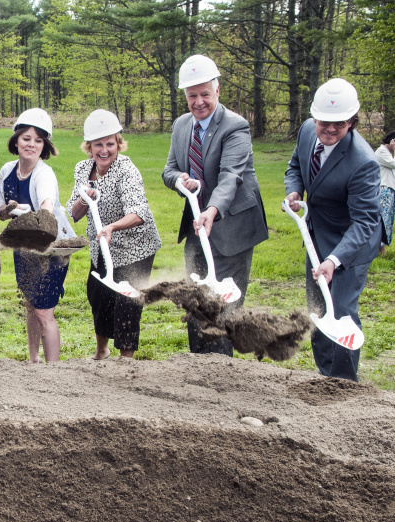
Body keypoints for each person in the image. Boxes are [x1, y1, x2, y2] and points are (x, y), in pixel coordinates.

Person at [162, 54, 267, 356]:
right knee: (195, 298)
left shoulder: (236, 126)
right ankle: (199, 364)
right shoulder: (182, 125)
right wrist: (181, 180)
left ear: (217, 91)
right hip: (197, 223)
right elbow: (168, 171)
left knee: (222, 303)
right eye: (192, 96)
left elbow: (230, 177)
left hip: (231, 224)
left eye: (205, 94)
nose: (198, 102)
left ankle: (221, 371)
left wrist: (212, 209)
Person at [284, 78, 382, 382]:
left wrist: (334, 261)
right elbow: (295, 167)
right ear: (314, 117)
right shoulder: (305, 132)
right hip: (316, 234)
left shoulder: (363, 162)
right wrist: (294, 191)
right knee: (318, 308)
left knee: (339, 311)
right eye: (323, 123)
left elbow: (365, 221)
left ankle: (344, 383)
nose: (329, 130)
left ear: (351, 122)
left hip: (350, 243)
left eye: (338, 125)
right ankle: (324, 374)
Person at [67, 109, 162, 360]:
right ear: (89, 146)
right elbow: (74, 213)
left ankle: (126, 360)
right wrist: (84, 198)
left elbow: (139, 212)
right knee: (98, 297)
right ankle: (102, 352)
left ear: (118, 143)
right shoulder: (82, 169)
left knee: (127, 302)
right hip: (102, 245)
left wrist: (112, 227)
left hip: (135, 246)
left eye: (110, 143)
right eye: (98, 144)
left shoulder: (126, 169)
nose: (105, 150)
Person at [0, 109, 76, 363]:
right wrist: (8, 209)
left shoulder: (44, 174)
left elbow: (46, 211)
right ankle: (33, 360)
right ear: (16, 140)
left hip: (51, 248)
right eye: (27, 138)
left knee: (44, 312)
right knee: (30, 303)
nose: (31, 144)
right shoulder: (8, 170)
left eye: (38, 140)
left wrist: (31, 212)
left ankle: (53, 369)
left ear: (45, 146)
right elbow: (0, 212)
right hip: (24, 245)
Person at [376, 130, 395, 250]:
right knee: (383, 219)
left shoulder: (387, 153)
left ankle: (381, 248)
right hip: (384, 190)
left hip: (389, 189)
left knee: (387, 220)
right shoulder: (381, 151)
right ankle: (379, 249)